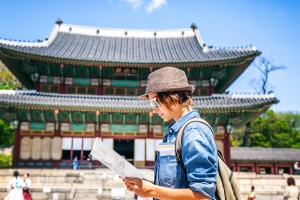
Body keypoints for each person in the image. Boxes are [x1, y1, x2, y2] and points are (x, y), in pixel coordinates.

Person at [121, 67, 218, 199]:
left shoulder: (193, 131)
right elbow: (175, 185)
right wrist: (144, 186)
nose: (154, 110)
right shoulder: (175, 132)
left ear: (172, 96)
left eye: (154, 102)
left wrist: (151, 191)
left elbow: (203, 196)